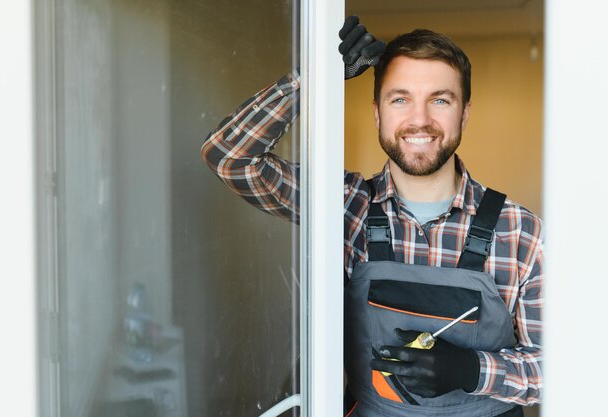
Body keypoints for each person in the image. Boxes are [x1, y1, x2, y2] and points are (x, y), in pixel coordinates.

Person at [201, 16, 542, 417]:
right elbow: (229, 156)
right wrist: (312, 78)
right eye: (400, 99)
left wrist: (473, 369)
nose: (419, 120)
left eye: (440, 100)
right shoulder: (344, 206)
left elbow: (562, 367)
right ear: (378, 113)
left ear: (464, 114)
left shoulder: (520, 231)